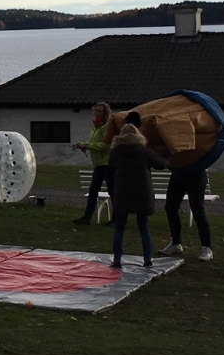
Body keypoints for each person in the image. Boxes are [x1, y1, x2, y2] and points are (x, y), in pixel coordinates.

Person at [107, 111, 167, 269]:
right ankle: (147, 258)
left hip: (122, 193)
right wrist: (166, 153)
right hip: (142, 192)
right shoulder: (144, 151)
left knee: (120, 227)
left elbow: (111, 165)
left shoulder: (116, 152)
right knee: (143, 226)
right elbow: (161, 164)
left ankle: (117, 259)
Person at [160, 164, 214, 261]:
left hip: (196, 173)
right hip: (179, 172)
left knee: (198, 211)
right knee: (171, 207)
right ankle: (176, 243)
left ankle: (207, 247)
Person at [72, 102, 112, 225]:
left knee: (112, 191)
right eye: (96, 111)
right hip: (98, 163)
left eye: (100, 111)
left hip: (108, 163)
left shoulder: (107, 126)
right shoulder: (96, 126)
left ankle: (116, 219)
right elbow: (94, 142)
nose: (97, 113)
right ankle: (87, 217)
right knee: (93, 190)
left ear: (106, 113)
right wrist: (83, 145)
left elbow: (106, 145)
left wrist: (88, 145)